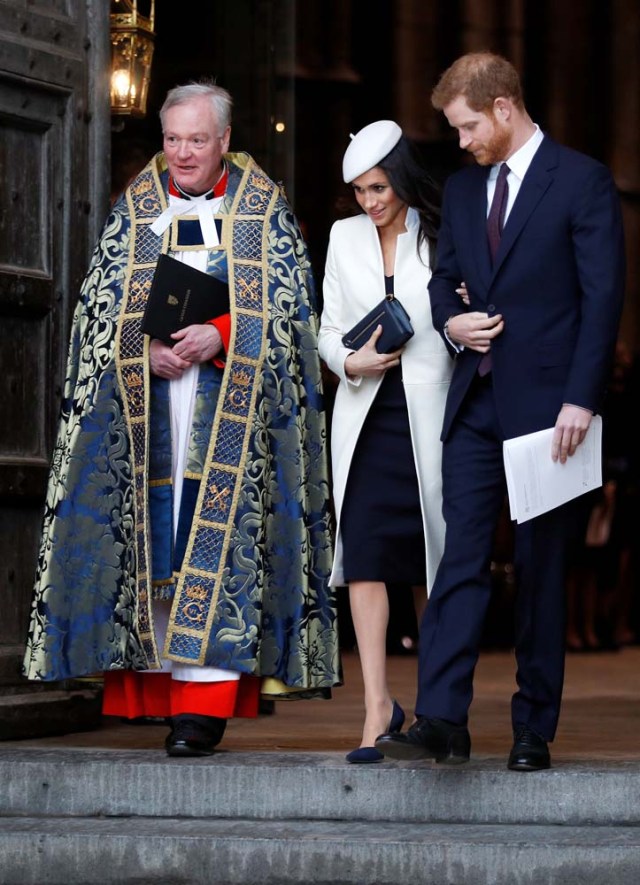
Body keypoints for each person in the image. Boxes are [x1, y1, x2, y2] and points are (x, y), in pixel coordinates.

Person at [22, 80, 341, 756]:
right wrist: (144, 350)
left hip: (227, 412)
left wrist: (223, 333)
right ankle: (160, 692)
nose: (183, 153)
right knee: (155, 546)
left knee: (214, 547)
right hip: (150, 418)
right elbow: (96, 315)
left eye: (197, 139)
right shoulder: (134, 211)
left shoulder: (262, 211)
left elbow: (290, 317)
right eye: (173, 140)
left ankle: (203, 706)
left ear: (225, 139)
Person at [376, 52, 625, 771]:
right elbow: (444, 278)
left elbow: (602, 297)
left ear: (505, 108)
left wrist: (582, 395)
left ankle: (531, 729)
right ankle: (443, 717)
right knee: (459, 558)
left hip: (553, 410)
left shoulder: (582, 181)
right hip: (477, 402)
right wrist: (451, 325)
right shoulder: (459, 191)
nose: (461, 141)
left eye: (467, 126)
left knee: (544, 570)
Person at [318, 121, 452, 762]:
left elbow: (456, 314)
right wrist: (350, 364)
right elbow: (328, 325)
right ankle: (377, 708)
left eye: (377, 187)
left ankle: (436, 708)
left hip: (431, 419)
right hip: (366, 418)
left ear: (400, 178)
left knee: (434, 560)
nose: (369, 202)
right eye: (359, 192)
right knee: (366, 557)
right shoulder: (343, 238)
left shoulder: (439, 231)